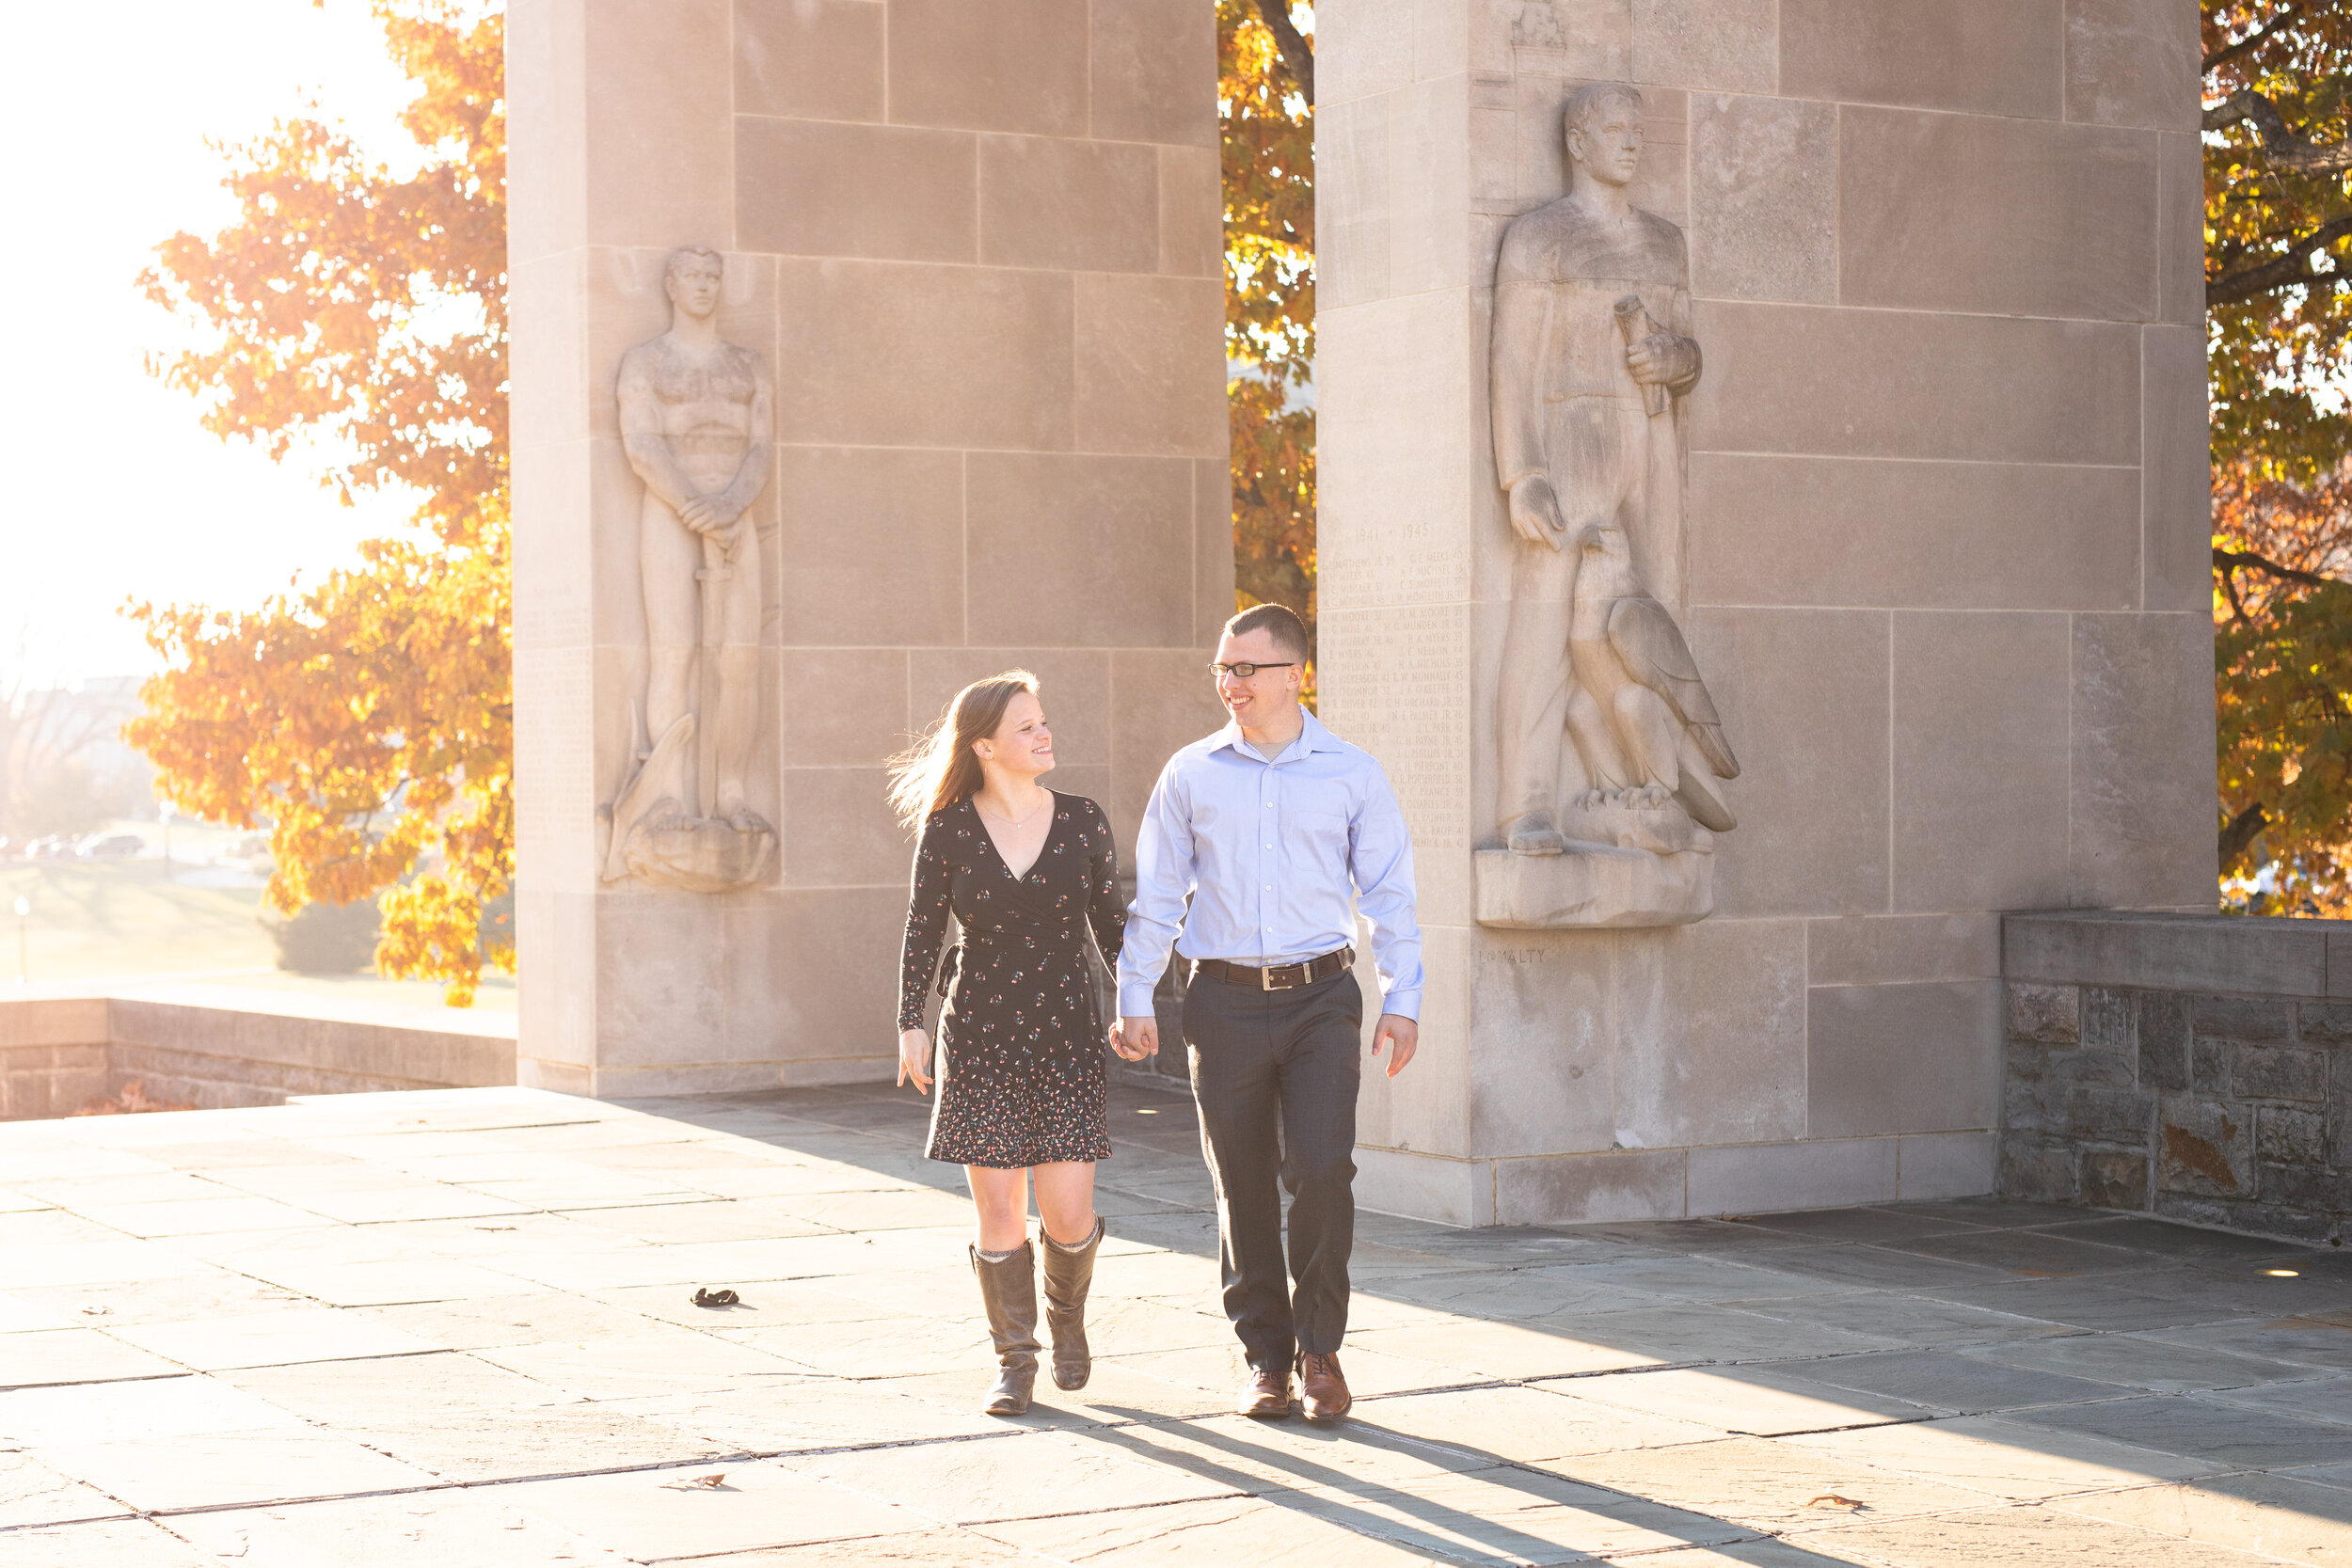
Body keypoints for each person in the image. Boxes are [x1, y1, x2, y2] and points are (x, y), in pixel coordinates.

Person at [1113, 604, 1423, 1423]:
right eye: (1223, 667)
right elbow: (1156, 896)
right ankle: (1266, 1360)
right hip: (1221, 1001)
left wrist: (1405, 999)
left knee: (1323, 1169)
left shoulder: (1353, 773)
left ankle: (1320, 1349)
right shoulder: (1190, 772)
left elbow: (1390, 895)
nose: (1231, 683)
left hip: (1323, 998)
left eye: (1247, 668)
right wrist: (1134, 993)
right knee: (1241, 1182)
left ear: (1295, 674)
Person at [890, 673, 1126, 1417]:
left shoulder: (1084, 821)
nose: (1044, 734)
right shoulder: (951, 828)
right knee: (999, 1216)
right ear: (985, 745)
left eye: (1043, 721)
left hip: (1065, 1035)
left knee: (1067, 1217)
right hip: (981, 1034)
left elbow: (1112, 929)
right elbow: (923, 929)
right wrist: (911, 1022)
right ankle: (1014, 1362)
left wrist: (1138, 1000)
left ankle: (1066, 1319)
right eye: (1027, 727)